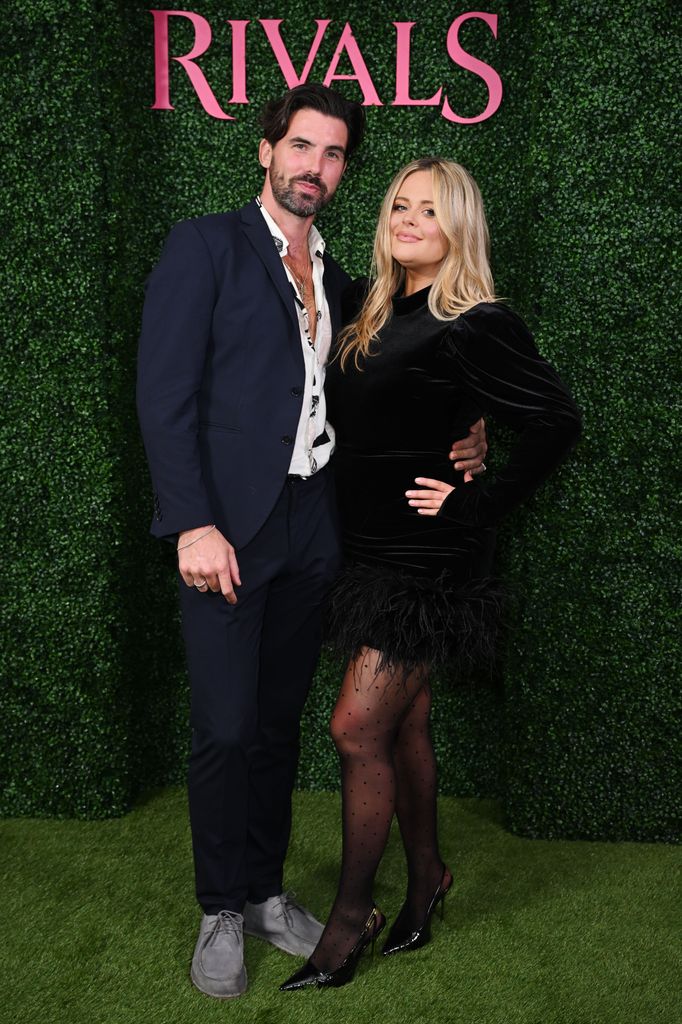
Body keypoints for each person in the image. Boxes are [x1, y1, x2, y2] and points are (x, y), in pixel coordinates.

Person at [137, 89, 487, 1001]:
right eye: (300, 147)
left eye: (332, 155)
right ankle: (220, 905)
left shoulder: (340, 279)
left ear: (342, 172)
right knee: (222, 725)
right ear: (266, 151)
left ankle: (260, 892)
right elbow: (163, 395)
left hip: (312, 530)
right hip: (226, 531)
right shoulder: (205, 246)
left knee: (277, 722)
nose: (314, 168)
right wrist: (192, 522)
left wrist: (473, 427)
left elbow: (410, 365)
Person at [280, 157, 581, 991]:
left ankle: (349, 921)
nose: (409, 220)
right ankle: (428, 881)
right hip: (369, 546)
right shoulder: (374, 307)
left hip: (430, 557)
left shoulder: (476, 321)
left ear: (460, 229)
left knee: (353, 728)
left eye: (431, 210)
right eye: (400, 206)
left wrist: (473, 503)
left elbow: (557, 421)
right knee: (403, 728)